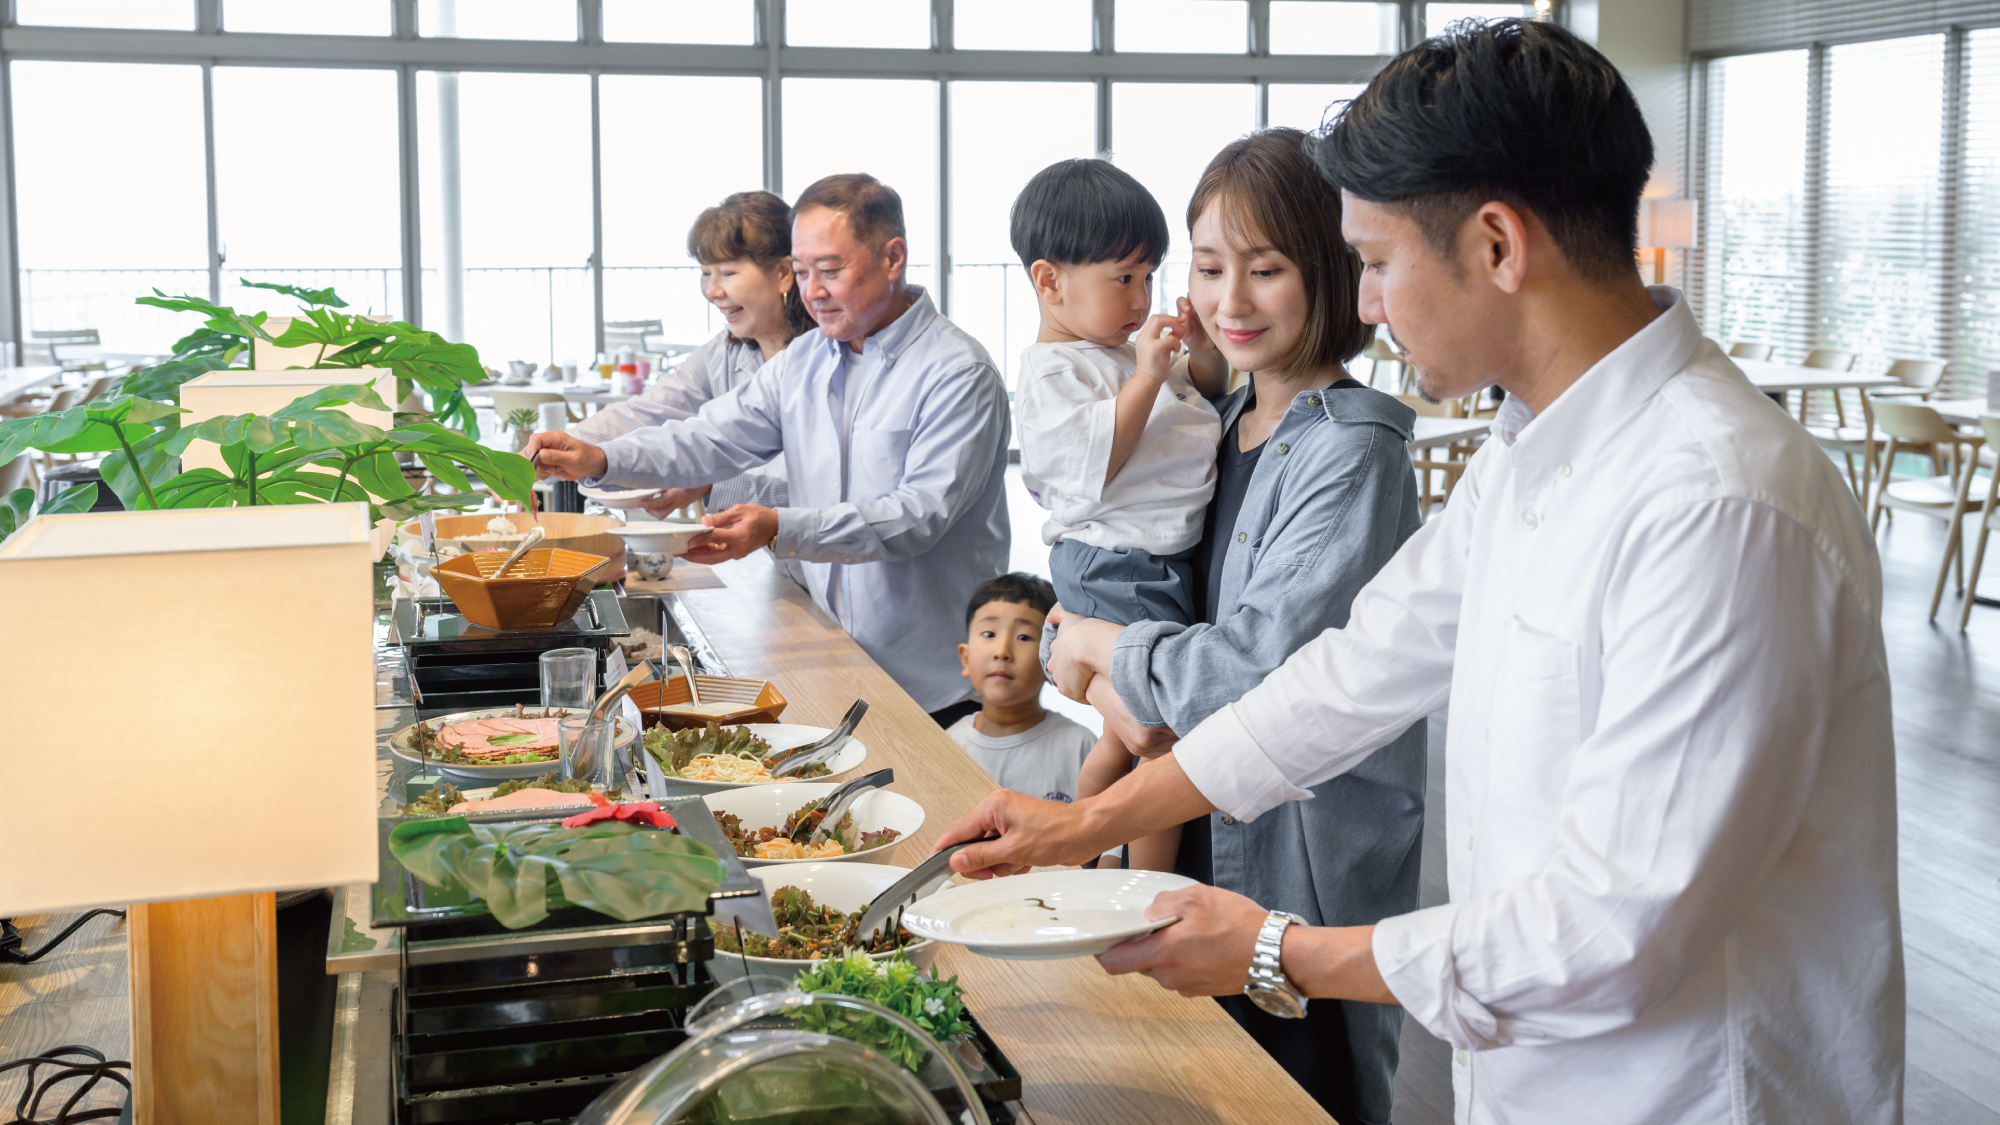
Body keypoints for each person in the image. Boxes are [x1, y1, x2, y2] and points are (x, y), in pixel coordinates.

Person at [935, 19, 1900, 1125]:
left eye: (1380, 264)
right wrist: (1073, 827)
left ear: (1495, 245)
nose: (1369, 306)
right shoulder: (1527, 450)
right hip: (1522, 1073)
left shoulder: (1717, 504)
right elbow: (1343, 679)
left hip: (1680, 1092)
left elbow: (1612, 928)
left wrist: (1275, 951)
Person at [1035, 129, 1429, 1125]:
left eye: (1266, 269)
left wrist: (1089, 649)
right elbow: (1091, 579)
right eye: (1208, 268)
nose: (1230, 301)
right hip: (1194, 813)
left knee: (1295, 1091)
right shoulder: (1218, 421)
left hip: (1294, 856)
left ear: (1333, 271)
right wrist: (1064, 644)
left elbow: (1258, 666)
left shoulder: (1349, 447)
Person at [532, 174, 1012, 726]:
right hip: (835, 650)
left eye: (831, 271)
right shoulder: (807, 359)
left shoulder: (957, 372)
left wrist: (779, 526)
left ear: (892, 257)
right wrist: (603, 458)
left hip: (935, 676)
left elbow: (917, 517)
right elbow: (713, 435)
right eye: (804, 273)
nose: (812, 292)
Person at [1008, 158, 1225, 870]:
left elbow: (1209, 395)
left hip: (1152, 560)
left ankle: (1083, 859)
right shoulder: (1053, 370)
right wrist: (1148, 374)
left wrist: (1201, 347)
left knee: (1119, 738)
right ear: (1050, 281)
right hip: (1115, 562)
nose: (1141, 295)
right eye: (1122, 277)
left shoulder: (1124, 353)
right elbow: (1098, 460)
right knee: (1156, 735)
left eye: (1149, 277)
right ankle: (1143, 891)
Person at [526, 191, 816, 522]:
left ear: (783, 273)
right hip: (766, 564)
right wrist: (551, 453)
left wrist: (710, 485)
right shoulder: (726, 351)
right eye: (706, 272)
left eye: (728, 272)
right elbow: (647, 412)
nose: (712, 291)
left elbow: (822, 500)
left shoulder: (824, 359)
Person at [946, 572, 1097, 804]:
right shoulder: (947, 747)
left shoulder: (1081, 747)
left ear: (1052, 659)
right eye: (989, 634)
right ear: (965, 659)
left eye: (1024, 637)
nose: (1002, 651)